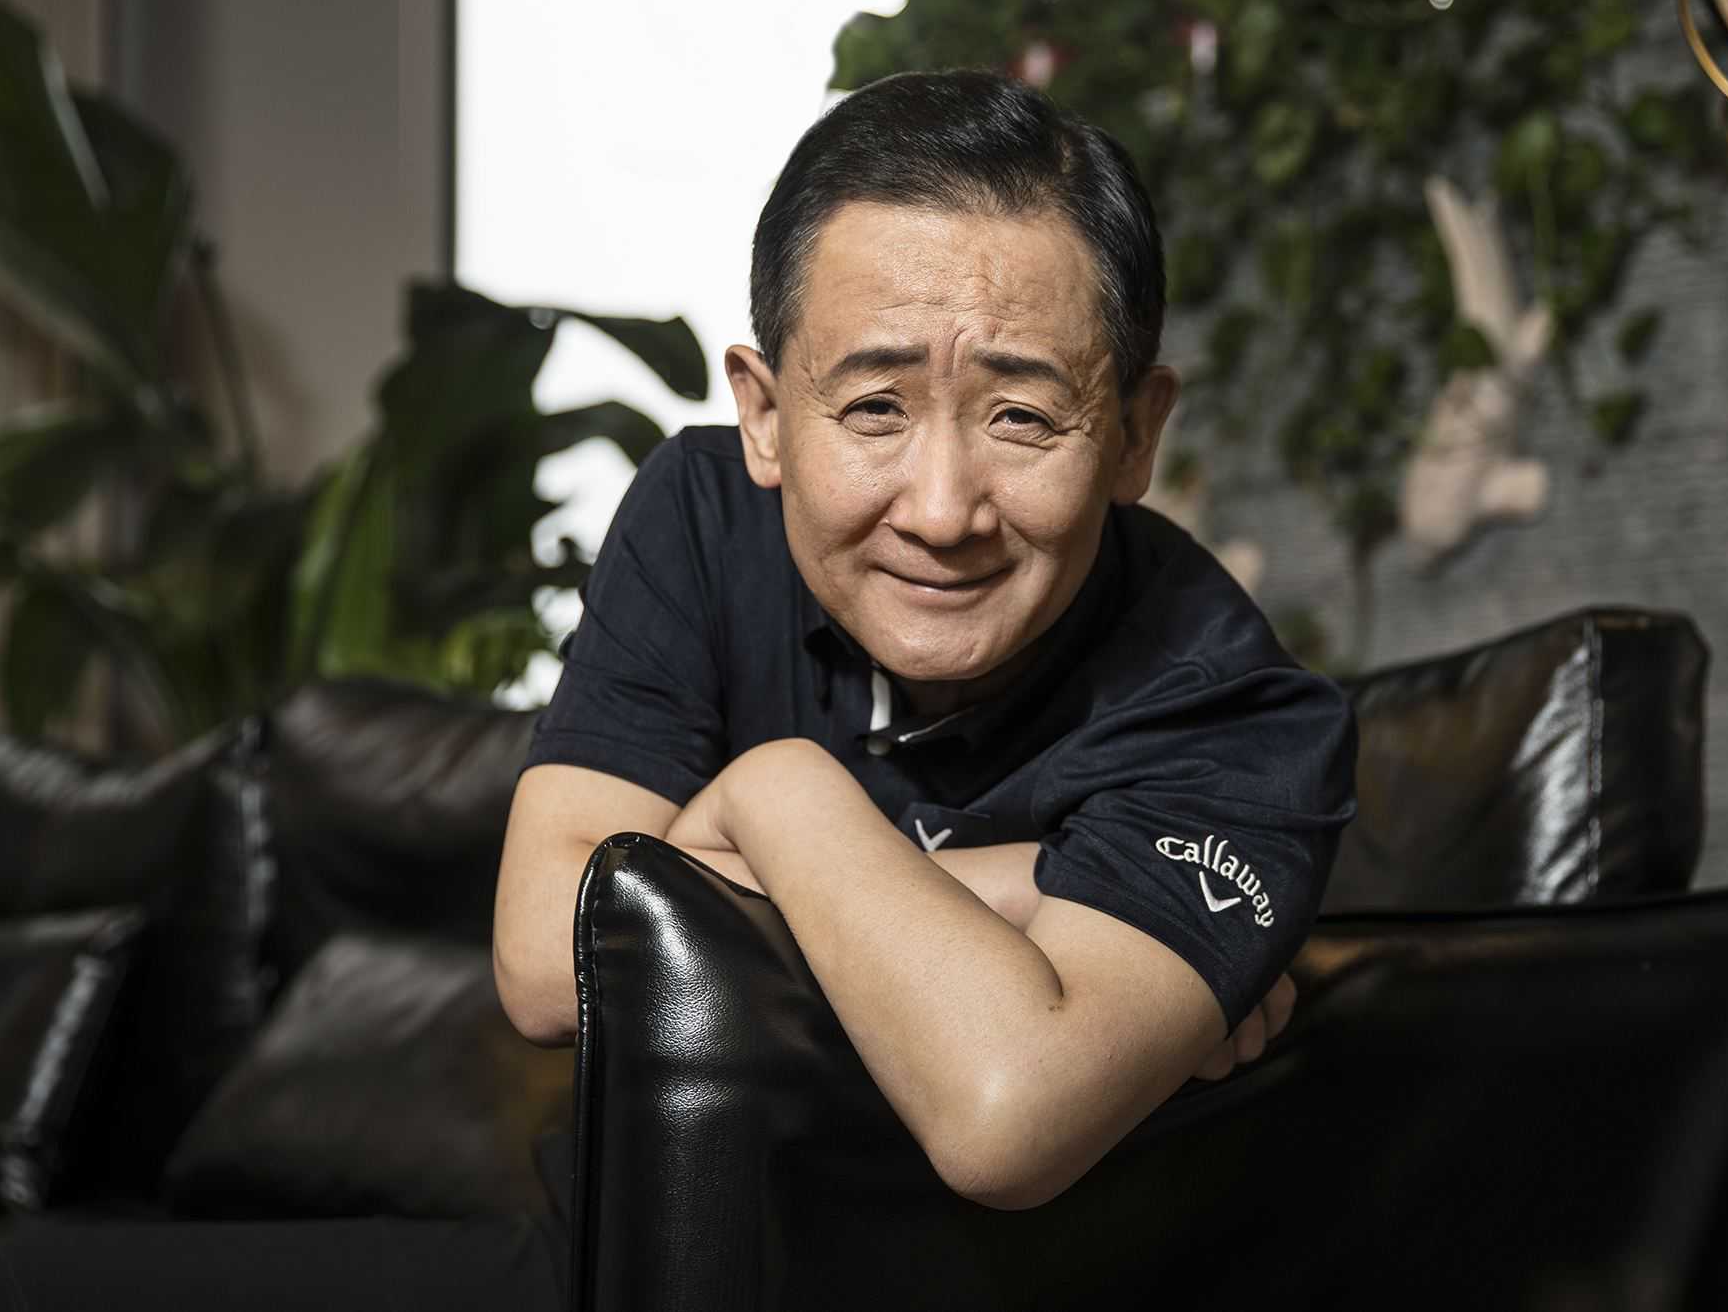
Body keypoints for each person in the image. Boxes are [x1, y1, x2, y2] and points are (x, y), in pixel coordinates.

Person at [493, 67, 1358, 1214]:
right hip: (650, 1246)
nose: (944, 512)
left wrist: (777, 799)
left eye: (1022, 417)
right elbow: (546, 958)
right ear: (764, 415)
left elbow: (1007, 1116)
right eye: (875, 408)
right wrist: (1029, 889)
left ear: (1134, 435)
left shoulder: (1237, 710)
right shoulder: (704, 519)